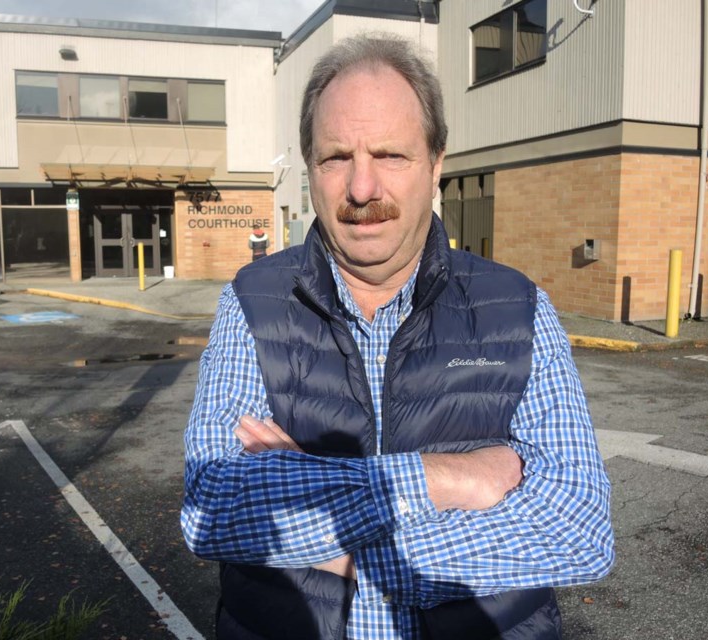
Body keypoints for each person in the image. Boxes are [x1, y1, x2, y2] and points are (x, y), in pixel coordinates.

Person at [182, 33, 614, 639]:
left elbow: (579, 529)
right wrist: (448, 478)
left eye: (390, 155)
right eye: (336, 158)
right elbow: (217, 508)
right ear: (309, 167)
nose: (362, 189)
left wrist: (344, 549)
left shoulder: (518, 309)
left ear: (436, 164)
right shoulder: (252, 302)